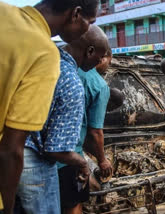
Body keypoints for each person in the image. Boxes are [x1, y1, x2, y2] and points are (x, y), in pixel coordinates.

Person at [0, 0, 99, 212]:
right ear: (76, 14)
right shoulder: (44, 54)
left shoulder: (3, 12)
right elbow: (12, 147)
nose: (88, 29)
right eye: (90, 22)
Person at [15, 25, 108, 214]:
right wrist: (83, 164)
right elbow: (56, 150)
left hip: (11, 153)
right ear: (89, 51)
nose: (101, 61)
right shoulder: (71, 81)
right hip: (37, 162)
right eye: (101, 55)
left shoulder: (41, 62)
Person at [58, 39, 113, 214]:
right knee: (73, 205)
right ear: (102, 58)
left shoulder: (62, 69)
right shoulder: (98, 84)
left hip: (48, 154)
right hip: (69, 156)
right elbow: (95, 131)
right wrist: (103, 160)